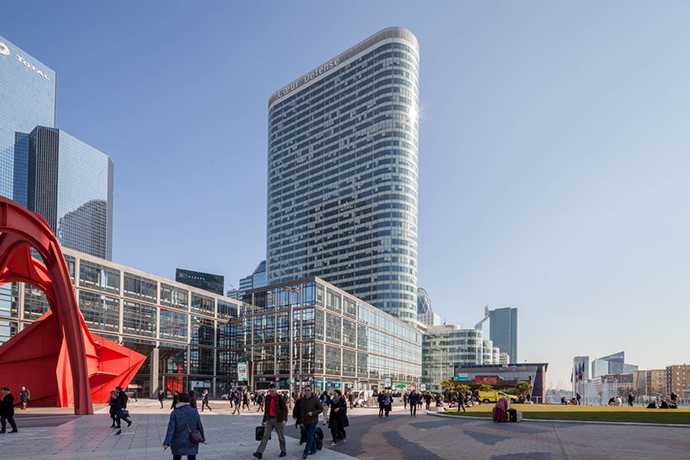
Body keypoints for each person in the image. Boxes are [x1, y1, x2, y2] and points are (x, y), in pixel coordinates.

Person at [163, 392, 205, 460]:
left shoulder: (175, 413)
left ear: (178, 400)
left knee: (177, 457)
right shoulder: (194, 411)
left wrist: (167, 442)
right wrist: (202, 437)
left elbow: (171, 429)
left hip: (178, 440)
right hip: (192, 439)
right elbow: (199, 426)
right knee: (192, 457)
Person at [253, 383, 288, 459]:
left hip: (278, 419)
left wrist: (284, 419)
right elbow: (266, 410)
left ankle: (283, 450)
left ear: (275, 390)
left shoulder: (280, 398)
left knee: (280, 436)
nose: (271, 393)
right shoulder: (268, 397)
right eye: (270, 391)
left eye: (273, 391)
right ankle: (259, 452)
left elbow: (285, 410)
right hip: (269, 419)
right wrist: (264, 420)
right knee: (265, 435)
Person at [299, 386, 323, 459]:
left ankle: (305, 452)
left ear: (311, 391)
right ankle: (314, 449)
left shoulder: (315, 399)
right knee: (310, 436)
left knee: (309, 436)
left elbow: (321, 409)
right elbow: (302, 411)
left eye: (308, 390)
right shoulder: (303, 399)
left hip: (313, 420)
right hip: (305, 421)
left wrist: (313, 413)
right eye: (305, 390)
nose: (307, 392)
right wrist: (301, 421)